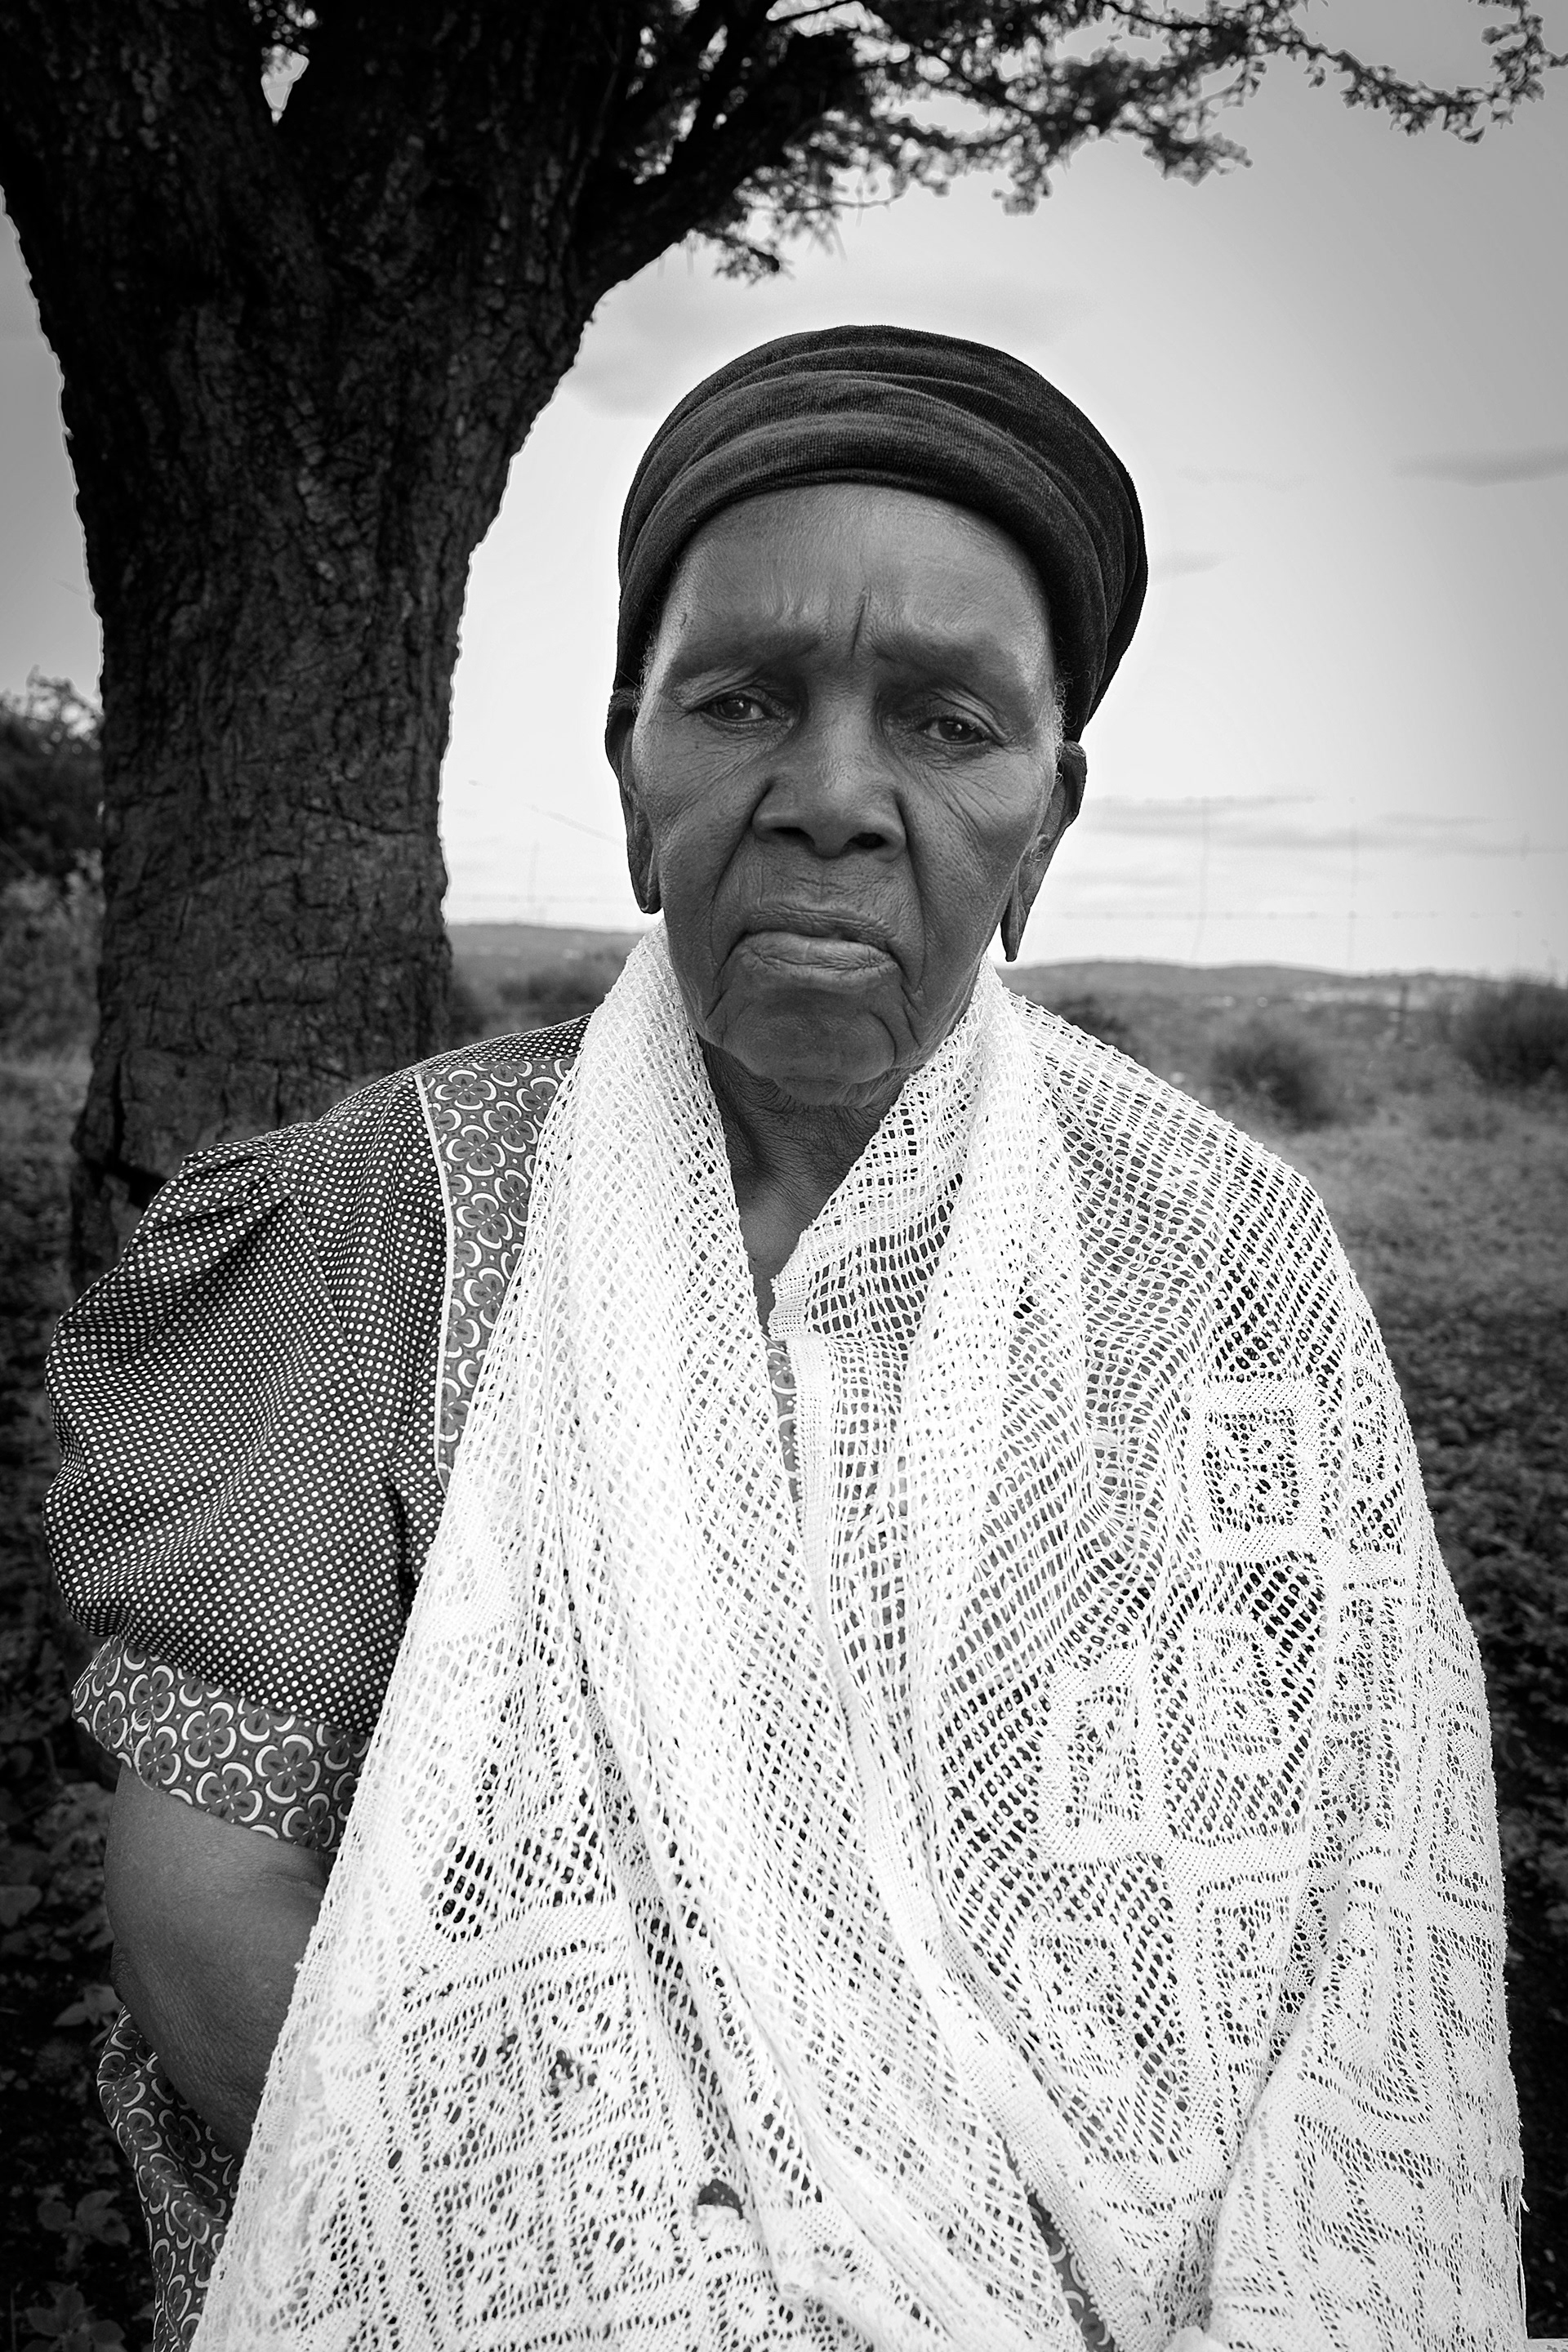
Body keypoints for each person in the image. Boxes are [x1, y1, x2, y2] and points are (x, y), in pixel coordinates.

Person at [47, 327, 1522, 2352]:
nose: (832, 798)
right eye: (740, 699)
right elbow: (210, 1919)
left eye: (948, 723)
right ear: (629, 770)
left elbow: (1354, 1930)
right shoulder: (376, 1229)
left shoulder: (1224, 1270)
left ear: (1050, 817)